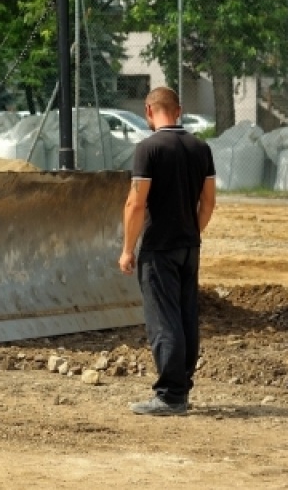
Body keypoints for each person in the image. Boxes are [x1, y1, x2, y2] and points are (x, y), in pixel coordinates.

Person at [119, 86, 217, 416]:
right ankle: (182, 386)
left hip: (159, 247)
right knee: (186, 315)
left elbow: (136, 203)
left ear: (149, 111)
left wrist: (127, 248)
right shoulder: (200, 148)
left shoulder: (148, 149)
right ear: (179, 110)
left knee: (163, 319)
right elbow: (208, 202)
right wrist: (191, 231)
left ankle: (171, 395)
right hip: (189, 246)